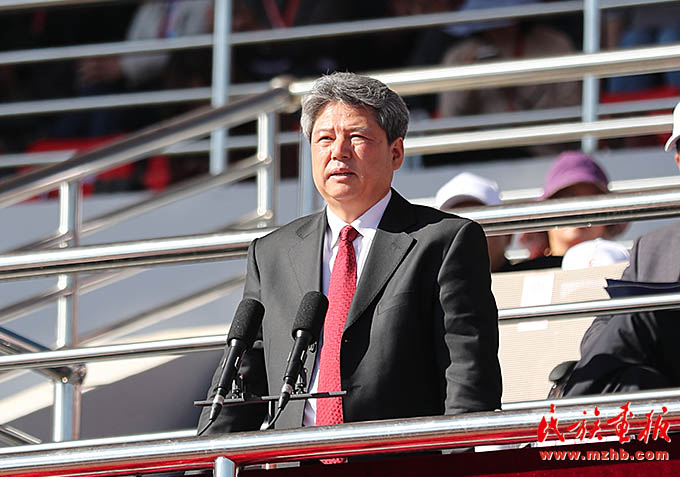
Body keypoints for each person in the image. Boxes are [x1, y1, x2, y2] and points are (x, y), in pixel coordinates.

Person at [197, 72, 502, 436]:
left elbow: (467, 373)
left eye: (357, 137)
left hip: (399, 455)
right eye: (324, 138)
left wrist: (459, 455)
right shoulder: (271, 253)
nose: (338, 152)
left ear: (396, 152)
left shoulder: (444, 241)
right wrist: (205, 456)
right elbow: (242, 379)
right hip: (296, 456)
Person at [563, 101, 680, 396]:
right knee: (631, 377)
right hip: (664, 389)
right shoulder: (651, 248)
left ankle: (570, 400)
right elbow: (602, 329)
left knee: (641, 315)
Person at [510, 151, 626, 271]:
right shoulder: (522, 274)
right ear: (545, 214)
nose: (579, 211)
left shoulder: (624, 270)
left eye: (590, 201)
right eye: (567, 201)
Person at [435, 172, 513, 272]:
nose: (466, 237)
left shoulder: (530, 276)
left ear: (508, 235)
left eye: (481, 225)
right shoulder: (423, 281)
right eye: (453, 228)